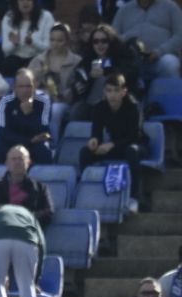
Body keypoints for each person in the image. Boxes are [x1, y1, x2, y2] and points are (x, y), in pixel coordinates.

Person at [80, 73, 148, 213]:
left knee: (132, 151)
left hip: (136, 144)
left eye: (116, 90)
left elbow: (135, 136)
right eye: (109, 90)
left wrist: (112, 145)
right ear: (104, 91)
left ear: (124, 91)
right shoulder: (100, 107)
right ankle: (84, 193)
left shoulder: (133, 107)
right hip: (116, 146)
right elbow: (96, 133)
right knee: (85, 152)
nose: (112, 95)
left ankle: (135, 197)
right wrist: (94, 142)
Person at [70, 25, 141, 121]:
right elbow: (78, 83)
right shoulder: (87, 60)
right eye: (96, 42)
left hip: (118, 103)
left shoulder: (123, 57)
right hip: (91, 105)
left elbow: (131, 74)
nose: (100, 45)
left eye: (104, 41)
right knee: (76, 111)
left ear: (111, 41)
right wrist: (88, 78)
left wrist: (107, 72)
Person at [0, 145, 54, 229]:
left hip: (27, 232)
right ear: (7, 163)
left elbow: (48, 212)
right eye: (13, 159)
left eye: (21, 159)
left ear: (28, 163)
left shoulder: (40, 188)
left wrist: (23, 219)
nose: (17, 162)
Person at [0, 69, 55, 165]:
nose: (25, 90)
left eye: (29, 86)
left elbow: (44, 129)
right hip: (11, 142)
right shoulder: (4, 102)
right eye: (21, 86)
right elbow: (3, 133)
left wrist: (29, 114)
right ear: (14, 88)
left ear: (35, 86)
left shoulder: (44, 101)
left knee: (43, 151)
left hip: (35, 142)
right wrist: (28, 140)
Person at [29, 21, 82, 130]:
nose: (55, 44)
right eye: (52, 40)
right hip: (42, 98)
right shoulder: (39, 60)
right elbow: (26, 82)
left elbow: (77, 88)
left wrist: (60, 96)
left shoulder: (76, 61)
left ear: (67, 41)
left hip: (64, 102)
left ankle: (52, 143)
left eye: (59, 40)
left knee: (56, 109)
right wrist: (37, 76)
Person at [111, 0, 182, 81]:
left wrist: (159, 51)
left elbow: (179, 35)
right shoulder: (123, 10)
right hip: (131, 60)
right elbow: (113, 36)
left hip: (161, 58)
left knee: (170, 64)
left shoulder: (170, 7)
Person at [0, 0, 54, 77]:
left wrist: (33, 43)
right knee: (6, 65)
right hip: (15, 58)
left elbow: (49, 48)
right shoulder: (8, 17)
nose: (25, 2)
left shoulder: (46, 17)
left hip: (37, 57)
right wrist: (14, 44)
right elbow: (5, 49)